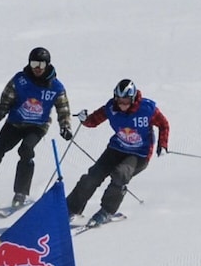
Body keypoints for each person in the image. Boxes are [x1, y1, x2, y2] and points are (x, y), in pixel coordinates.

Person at [0, 47, 74, 211]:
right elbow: (6, 101)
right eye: (34, 63)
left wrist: (65, 127)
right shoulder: (20, 80)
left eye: (41, 64)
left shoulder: (56, 87)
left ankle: (21, 193)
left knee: (26, 149)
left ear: (47, 65)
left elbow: (63, 109)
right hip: (15, 124)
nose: (37, 68)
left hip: (37, 126)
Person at [66, 79, 169, 226]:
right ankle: (70, 208)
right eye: (120, 100)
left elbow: (164, 124)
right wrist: (84, 119)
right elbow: (94, 120)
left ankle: (107, 210)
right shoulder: (111, 108)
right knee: (93, 175)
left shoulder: (147, 109)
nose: (122, 105)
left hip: (139, 154)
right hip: (116, 148)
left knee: (121, 174)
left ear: (133, 99)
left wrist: (162, 144)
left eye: (126, 101)